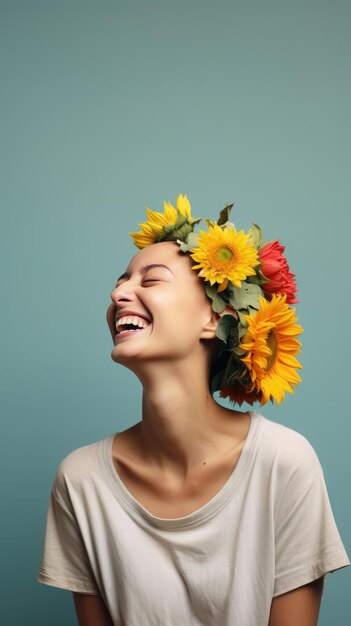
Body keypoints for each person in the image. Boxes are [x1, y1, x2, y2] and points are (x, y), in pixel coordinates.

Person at [37, 195, 350, 626]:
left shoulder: (283, 463)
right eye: (121, 280)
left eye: (151, 281)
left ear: (214, 319)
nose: (117, 293)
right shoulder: (81, 480)